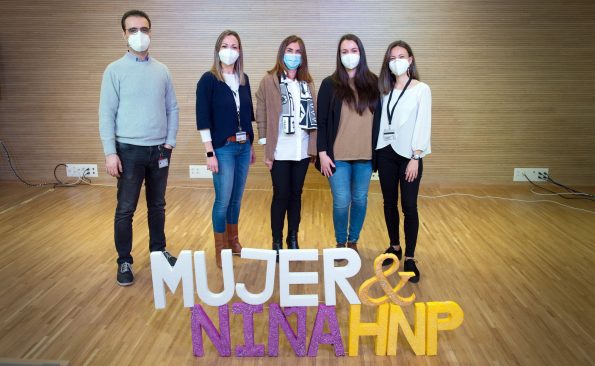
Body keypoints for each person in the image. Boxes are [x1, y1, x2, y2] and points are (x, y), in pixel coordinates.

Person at [99, 10, 179, 286]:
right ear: (124, 34)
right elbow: (106, 114)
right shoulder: (114, 70)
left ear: (151, 31)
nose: (139, 35)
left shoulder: (162, 70)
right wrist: (110, 152)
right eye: (132, 30)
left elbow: (172, 108)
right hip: (128, 152)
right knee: (125, 209)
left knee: (157, 205)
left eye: (143, 29)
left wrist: (169, 142)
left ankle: (158, 251)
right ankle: (124, 261)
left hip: (159, 151)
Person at [373, 40, 431, 283]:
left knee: (409, 206)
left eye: (401, 56)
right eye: (392, 57)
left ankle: (409, 257)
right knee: (389, 202)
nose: (396, 60)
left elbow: (423, 124)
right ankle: (394, 246)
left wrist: (416, 157)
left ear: (410, 60)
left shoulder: (421, 89)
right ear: (388, 62)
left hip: (409, 156)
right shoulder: (384, 90)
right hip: (385, 152)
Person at [196, 30, 256, 268]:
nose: (229, 50)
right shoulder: (209, 80)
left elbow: (248, 116)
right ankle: (220, 248)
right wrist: (209, 151)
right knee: (223, 199)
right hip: (222, 148)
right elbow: (203, 117)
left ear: (239, 51)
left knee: (237, 199)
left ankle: (234, 241)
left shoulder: (244, 80)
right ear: (217, 49)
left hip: (243, 147)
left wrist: (250, 144)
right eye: (225, 45)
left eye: (234, 46)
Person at [316, 34, 379, 255]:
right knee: (342, 201)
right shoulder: (329, 84)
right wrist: (322, 152)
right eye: (345, 51)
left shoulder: (374, 83)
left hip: (365, 157)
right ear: (339, 55)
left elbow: (380, 121)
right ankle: (340, 243)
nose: (349, 55)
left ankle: (353, 241)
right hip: (337, 157)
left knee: (360, 200)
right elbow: (321, 121)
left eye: (353, 51)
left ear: (360, 54)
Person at [255, 35, 318, 258]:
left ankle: (293, 238)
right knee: (281, 194)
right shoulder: (270, 80)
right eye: (290, 50)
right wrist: (265, 145)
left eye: (298, 51)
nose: (293, 55)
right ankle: (276, 241)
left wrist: (314, 147)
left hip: (301, 150)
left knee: (296, 195)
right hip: (280, 150)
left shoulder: (307, 82)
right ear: (282, 53)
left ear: (303, 57)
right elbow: (261, 110)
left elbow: (313, 116)